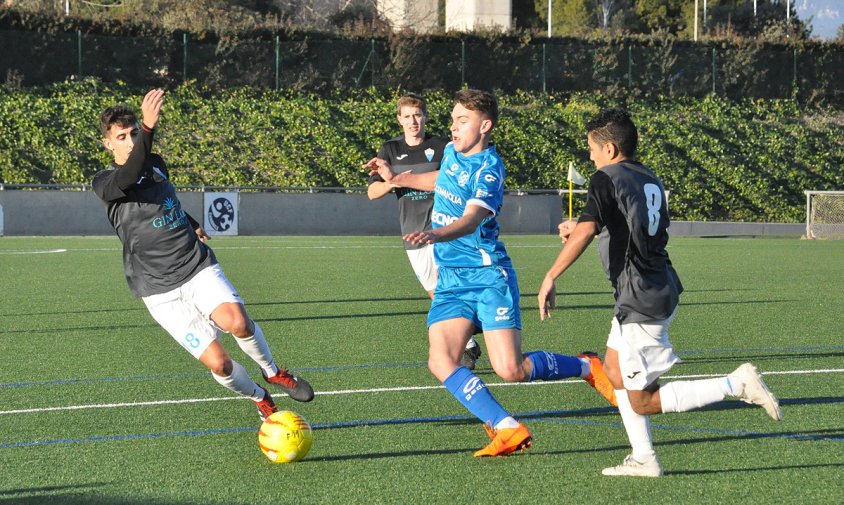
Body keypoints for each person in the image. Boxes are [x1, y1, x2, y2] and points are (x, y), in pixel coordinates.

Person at [369, 89, 617, 458]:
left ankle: (585, 366)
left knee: (511, 369)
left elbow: (470, 220)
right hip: (452, 280)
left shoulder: (490, 170)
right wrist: (397, 179)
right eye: (452, 119)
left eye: (461, 120)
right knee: (440, 360)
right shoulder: (453, 152)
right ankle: (507, 428)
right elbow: (441, 179)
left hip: (487, 277)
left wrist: (435, 233)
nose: (452, 127)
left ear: (484, 126)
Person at [538, 108, 782, 477]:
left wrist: (551, 275)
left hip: (641, 294)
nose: (589, 155)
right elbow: (629, 223)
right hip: (654, 283)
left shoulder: (604, 177)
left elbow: (590, 231)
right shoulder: (646, 176)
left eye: (592, 148)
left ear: (611, 148)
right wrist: (582, 224)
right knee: (615, 372)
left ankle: (736, 384)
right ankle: (643, 458)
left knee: (643, 400)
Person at [92, 89, 314, 421]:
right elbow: (129, 174)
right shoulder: (105, 182)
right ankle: (260, 398)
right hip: (159, 290)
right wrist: (150, 130)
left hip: (195, 266)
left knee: (238, 322)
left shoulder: (156, 164)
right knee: (219, 363)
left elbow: (167, 201)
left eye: (134, 133)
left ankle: (272, 371)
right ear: (108, 144)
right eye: (121, 137)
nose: (129, 141)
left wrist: (191, 222)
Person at [364, 93, 481, 370]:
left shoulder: (442, 146)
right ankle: (469, 342)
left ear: (425, 116)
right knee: (435, 293)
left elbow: (452, 180)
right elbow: (372, 192)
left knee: (448, 285)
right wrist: (393, 182)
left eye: (417, 115)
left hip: (444, 228)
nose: (413, 121)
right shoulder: (389, 150)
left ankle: (463, 339)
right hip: (411, 231)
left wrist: (406, 179)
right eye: (407, 116)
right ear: (399, 120)